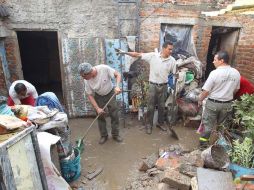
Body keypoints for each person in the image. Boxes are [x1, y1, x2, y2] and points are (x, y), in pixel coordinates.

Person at [118, 41, 176, 134]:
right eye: (169, 49)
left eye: (172, 49)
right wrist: (124, 52)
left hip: (164, 86)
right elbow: (137, 54)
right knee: (150, 107)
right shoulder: (153, 56)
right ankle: (149, 125)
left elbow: (174, 73)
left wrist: (176, 79)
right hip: (152, 85)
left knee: (161, 107)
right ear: (164, 48)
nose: (171, 51)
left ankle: (160, 123)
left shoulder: (172, 60)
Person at [198, 50, 240, 147]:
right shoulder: (236, 73)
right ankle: (219, 146)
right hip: (228, 104)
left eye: (215, 59)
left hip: (213, 104)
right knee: (223, 127)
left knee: (207, 126)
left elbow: (206, 91)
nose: (213, 62)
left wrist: (200, 99)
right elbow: (236, 89)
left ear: (221, 61)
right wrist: (227, 95)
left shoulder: (215, 73)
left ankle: (203, 145)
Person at [78, 62, 123, 144]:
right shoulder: (87, 80)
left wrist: (117, 86)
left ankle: (115, 134)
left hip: (110, 93)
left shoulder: (104, 68)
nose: (83, 78)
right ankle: (104, 135)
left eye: (84, 76)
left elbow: (118, 74)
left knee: (114, 114)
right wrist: (97, 108)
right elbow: (90, 95)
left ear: (90, 72)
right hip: (98, 96)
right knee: (100, 115)